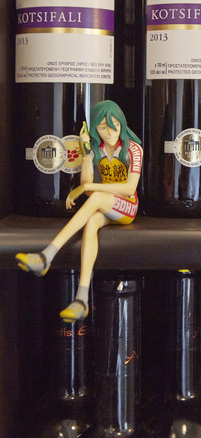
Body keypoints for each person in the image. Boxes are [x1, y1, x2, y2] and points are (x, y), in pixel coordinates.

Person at [15, 100, 143, 323]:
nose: (110, 132)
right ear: (95, 129)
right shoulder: (97, 149)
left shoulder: (133, 149)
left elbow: (129, 188)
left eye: (115, 125)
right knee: (91, 222)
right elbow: (87, 184)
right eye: (102, 127)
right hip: (106, 204)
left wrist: (88, 188)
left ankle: (47, 255)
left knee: (97, 198)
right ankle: (81, 298)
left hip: (127, 206)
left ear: (122, 124)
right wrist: (86, 154)